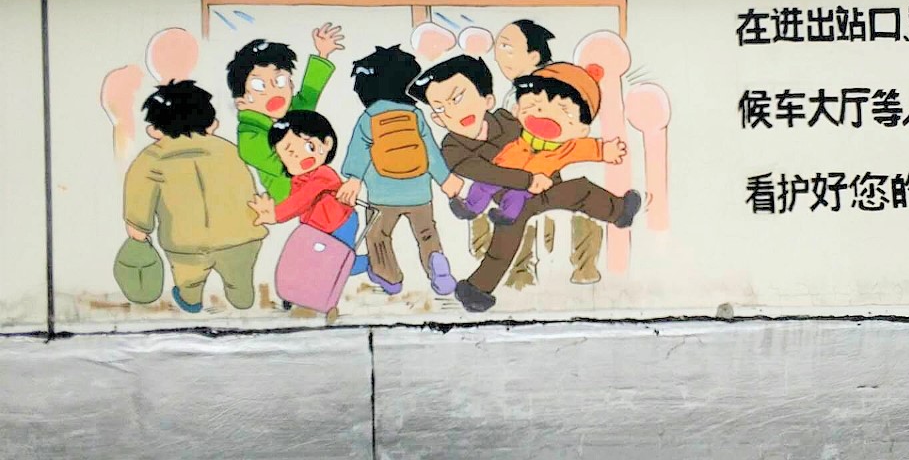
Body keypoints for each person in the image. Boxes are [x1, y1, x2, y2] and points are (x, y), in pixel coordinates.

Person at [408, 55, 640, 313]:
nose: (452, 111)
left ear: (488, 100)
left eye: (458, 98)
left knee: (581, 189)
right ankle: (478, 288)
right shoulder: (452, 147)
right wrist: (527, 180)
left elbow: (556, 135)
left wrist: (596, 147)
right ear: (437, 119)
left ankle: (620, 210)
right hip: (509, 198)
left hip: (547, 186)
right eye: (440, 108)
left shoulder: (507, 120)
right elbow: (485, 172)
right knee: (508, 230)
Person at [122, 80, 267, 313]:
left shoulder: (149, 160)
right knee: (239, 272)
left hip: (186, 244)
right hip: (242, 238)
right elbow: (245, 188)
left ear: (154, 130)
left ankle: (191, 299)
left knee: (189, 278)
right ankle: (241, 296)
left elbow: (139, 197)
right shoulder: (228, 150)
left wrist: (138, 228)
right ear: (212, 124)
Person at [335, 46, 463, 297]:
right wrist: (445, 179)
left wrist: (353, 179)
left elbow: (360, 150)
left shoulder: (369, 117)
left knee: (378, 236)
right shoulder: (415, 115)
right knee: (426, 233)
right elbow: (430, 151)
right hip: (419, 193)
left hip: (382, 196)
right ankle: (435, 261)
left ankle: (389, 276)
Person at [449, 62, 634, 226]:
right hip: (503, 170)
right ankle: (470, 208)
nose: (542, 114)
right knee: (482, 185)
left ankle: (506, 216)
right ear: (517, 109)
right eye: (535, 104)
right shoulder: (515, 129)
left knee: (516, 196)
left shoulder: (567, 148)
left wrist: (605, 150)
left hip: (534, 184)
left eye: (562, 111)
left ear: (581, 130)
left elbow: (588, 148)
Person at [226, 23, 344, 202]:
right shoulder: (249, 134)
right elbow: (286, 166)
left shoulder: (292, 112)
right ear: (241, 102)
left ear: (291, 84)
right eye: (259, 86)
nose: (274, 91)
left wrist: (323, 54)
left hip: (316, 190)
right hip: (288, 199)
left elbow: (308, 96)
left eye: (280, 81)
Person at [248, 110, 367, 280]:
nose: (298, 158)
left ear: (327, 143)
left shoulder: (323, 175)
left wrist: (276, 214)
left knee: (341, 265)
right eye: (287, 155)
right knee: (316, 262)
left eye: (308, 147)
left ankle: (374, 266)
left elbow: (302, 200)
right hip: (316, 229)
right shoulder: (298, 179)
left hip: (340, 223)